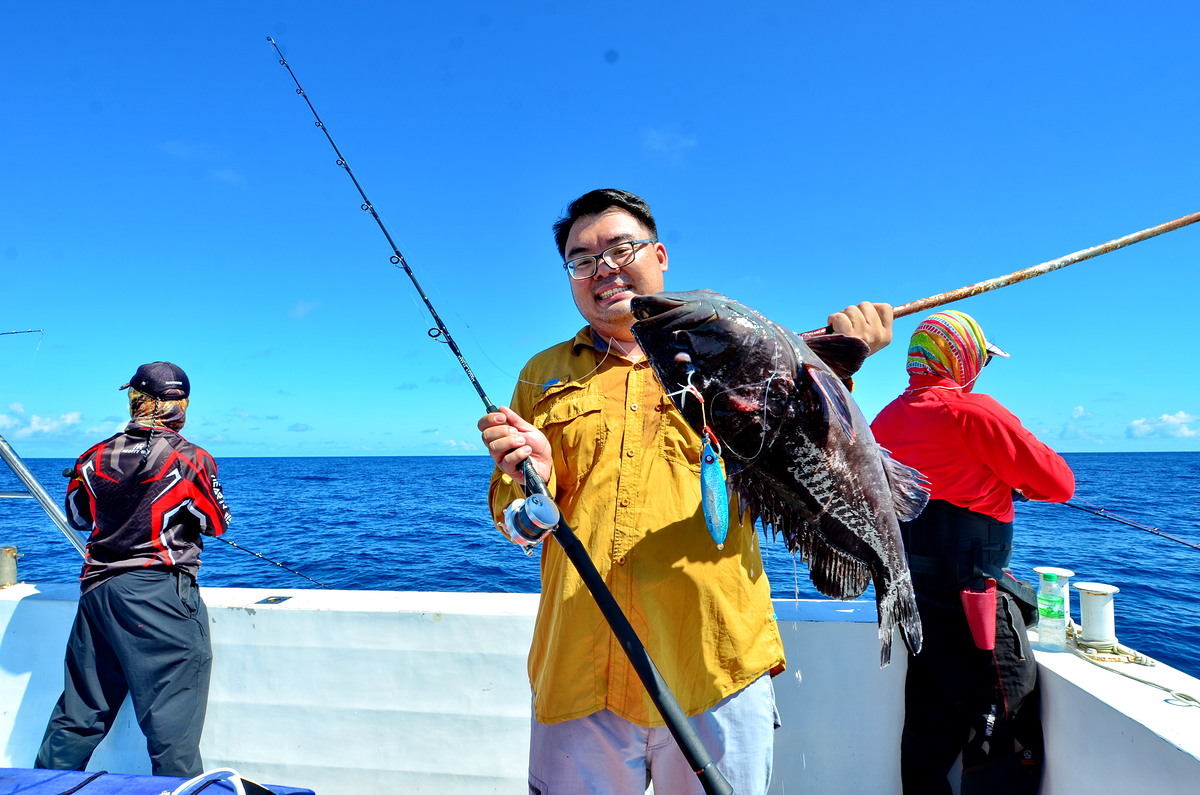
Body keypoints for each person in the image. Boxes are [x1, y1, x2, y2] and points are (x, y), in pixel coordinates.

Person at [478, 188, 894, 794]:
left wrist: (839, 361)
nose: (604, 269)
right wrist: (535, 485)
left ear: (661, 254)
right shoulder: (539, 374)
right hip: (579, 668)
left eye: (622, 248)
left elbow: (796, 454)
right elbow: (512, 518)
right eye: (581, 259)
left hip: (716, 666)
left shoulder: (729, 349)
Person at [870, 310, 1075, 794]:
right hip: (975, 606)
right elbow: (1060, 483)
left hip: (917, 609)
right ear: (961, 359)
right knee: (1003, 737)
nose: (981, 370)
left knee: (927, 737)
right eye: (980, 359)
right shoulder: (975, 412)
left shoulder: (884, 420)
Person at [35, 361, 231, 778]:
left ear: (137, 401)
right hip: (158, 597)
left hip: (97, 594)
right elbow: (216, 523)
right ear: (180, 404)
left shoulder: (92, 456)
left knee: (78, 714)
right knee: (171, 730)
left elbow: (78, 518)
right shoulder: (191, 458)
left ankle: (38, 788)